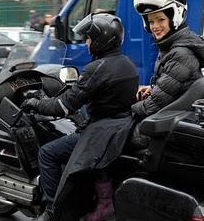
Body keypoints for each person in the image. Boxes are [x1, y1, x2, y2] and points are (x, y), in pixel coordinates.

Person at [21, 13, 139, 221]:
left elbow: (62, 106)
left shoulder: (96, 68)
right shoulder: (127, 63)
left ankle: (51, 210)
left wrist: (36, 104)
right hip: (119, 128)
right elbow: (103, 98)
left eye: (89, 38)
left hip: (101, 132)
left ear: (101, 39)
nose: (86, 42)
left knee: (47, 153)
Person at [132, 0, 204, 119]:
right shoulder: (170, 47)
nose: (155, 26)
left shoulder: (181, 54)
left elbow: (153, 106)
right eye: (150, 21)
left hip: (174, 121)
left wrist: (127, 107)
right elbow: (174, 88)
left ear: (175, 17)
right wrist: (153, 89)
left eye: (161, 19)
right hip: (173, 115)